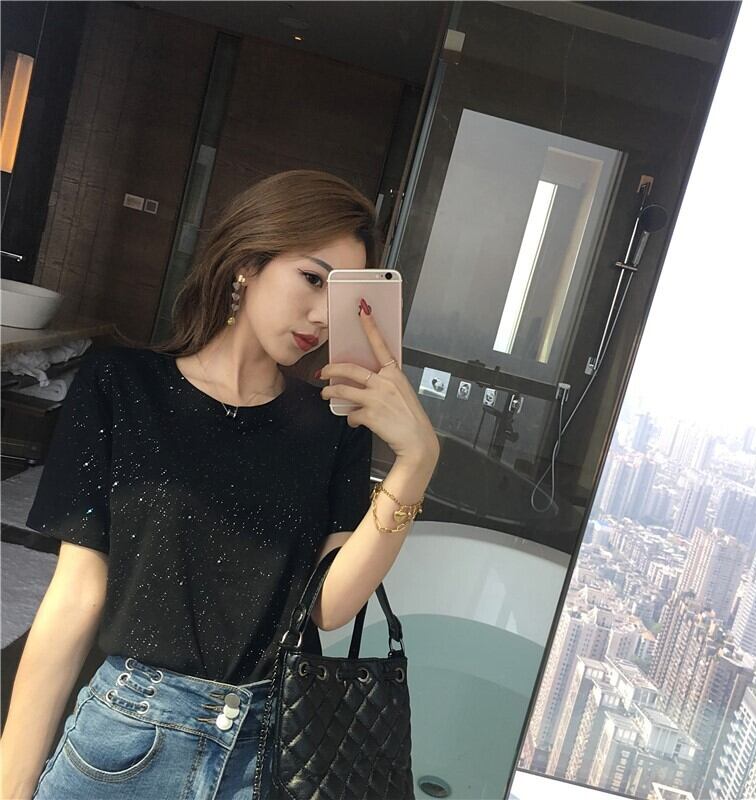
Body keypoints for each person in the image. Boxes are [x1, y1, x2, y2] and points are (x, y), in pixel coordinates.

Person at [0, 170, 440, 800]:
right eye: (313, 279)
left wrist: (416, 461)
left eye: (343, 295)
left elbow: (330, 606)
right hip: (126, 740)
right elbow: (75, 597)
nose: (322, 315)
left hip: (263, 754)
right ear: (246, 263)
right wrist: (11, 783)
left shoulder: (331, 426)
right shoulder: (122, 385)